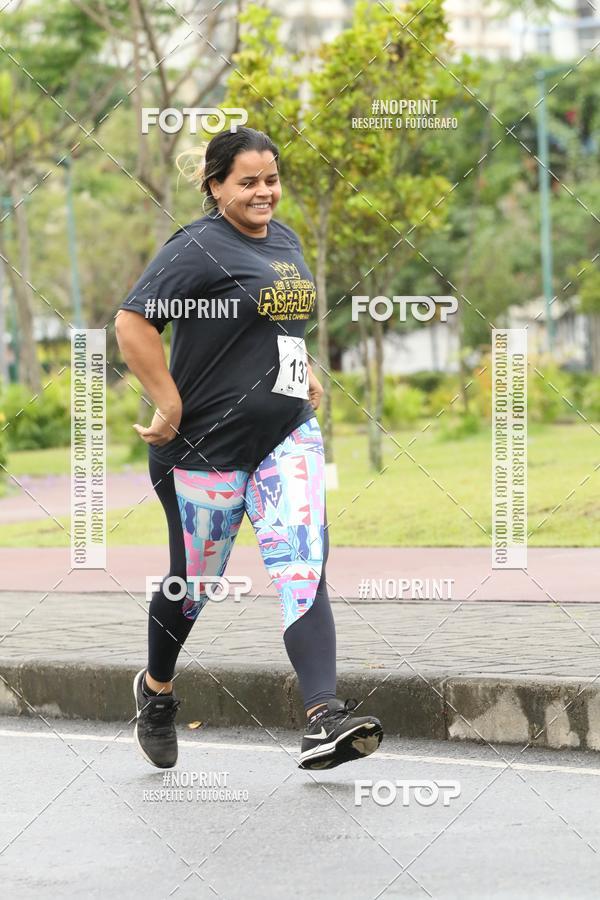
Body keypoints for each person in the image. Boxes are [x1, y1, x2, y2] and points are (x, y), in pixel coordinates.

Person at [115, 125, 383, 771]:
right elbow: (133, 322)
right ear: (215, 186)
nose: (264, 192)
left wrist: (303, 366)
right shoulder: (197, 247)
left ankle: (323, 717)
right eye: (248, 182)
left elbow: (278, 319)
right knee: (192, 584)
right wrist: (169, 401)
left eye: (271, 179)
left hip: (285, 432)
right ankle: (156, 692)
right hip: (203, 447)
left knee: (301, 562)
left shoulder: (285, 240)